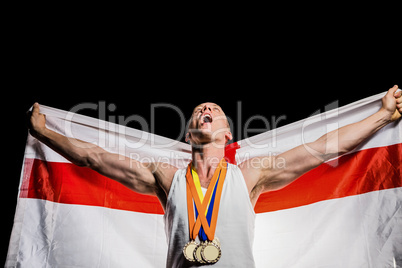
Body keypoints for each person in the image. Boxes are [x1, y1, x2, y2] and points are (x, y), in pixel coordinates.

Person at [27, 85, 402, 267]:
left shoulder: (251, 174)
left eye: (215, 109)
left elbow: (324, 148)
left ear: (228, 134)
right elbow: (94, 157)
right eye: (199, 110)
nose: (206, 108)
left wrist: (382, 116)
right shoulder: (167, 175)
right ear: (189, 134)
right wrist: (45, 134)